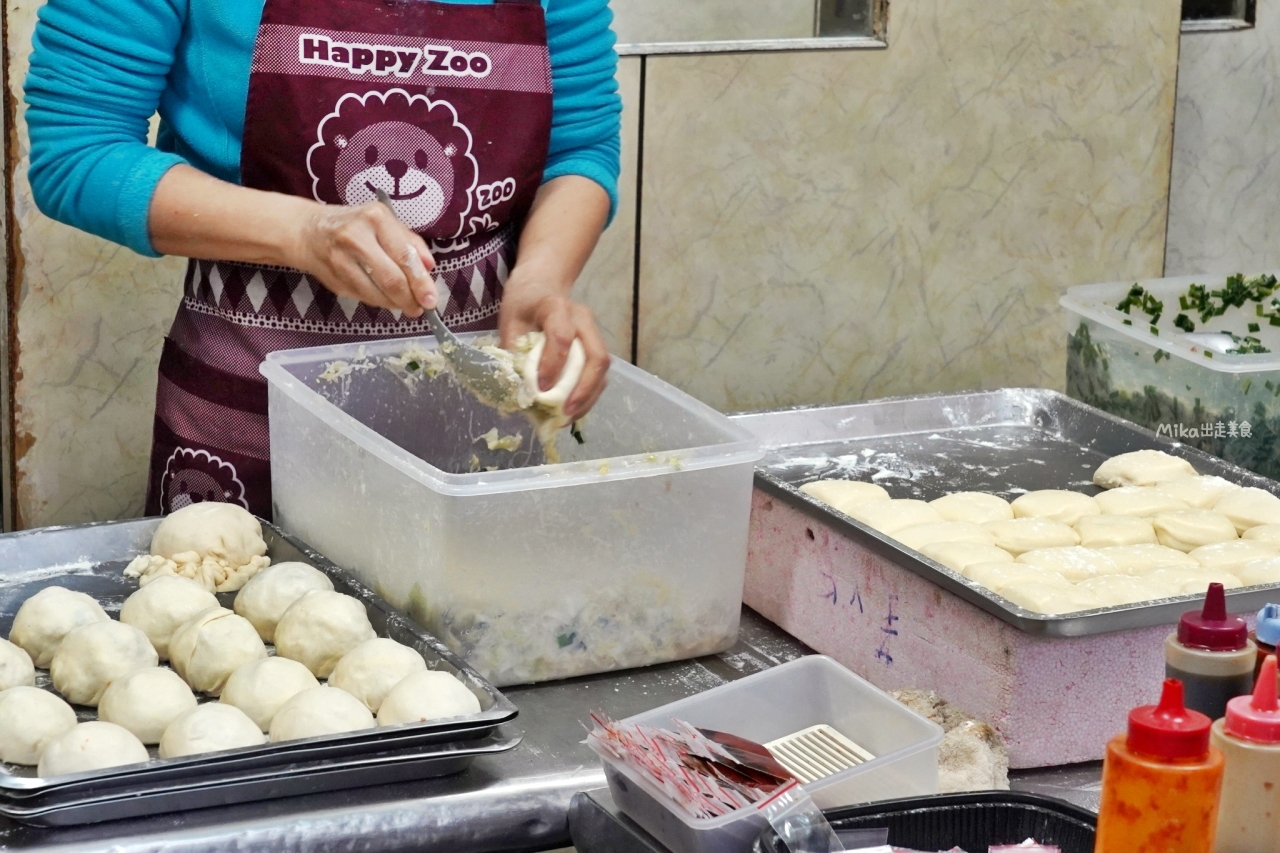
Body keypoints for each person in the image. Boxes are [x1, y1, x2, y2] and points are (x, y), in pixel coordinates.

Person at [24, 0, 621, 517]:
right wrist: (304, 231)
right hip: (248, 412)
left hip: (477, 409)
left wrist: (543, 277)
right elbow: (78, 148)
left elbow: (580, 148)